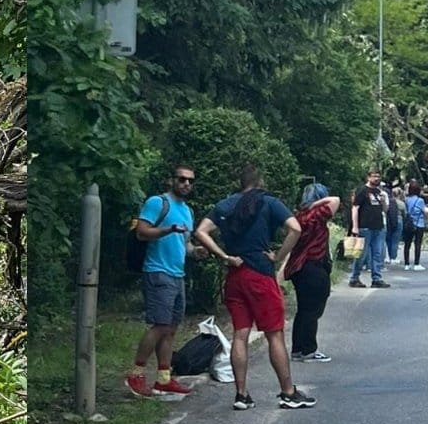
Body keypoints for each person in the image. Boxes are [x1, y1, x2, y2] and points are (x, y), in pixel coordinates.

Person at [194, 167, 314, 411]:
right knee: (274, 334)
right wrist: (278, 256)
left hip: (235, 275)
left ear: (240, 183)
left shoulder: (225, 205)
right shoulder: (269, 203)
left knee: (240, 334)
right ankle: (288, 392)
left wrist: (224, 256)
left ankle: (241, 394)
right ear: (260, 182)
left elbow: (200, 231)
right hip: (260, 274)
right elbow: (296, 228)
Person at [125, 167, 199, 399]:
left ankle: (163, 379)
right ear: (172, 180)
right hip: (157, 271)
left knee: (171, 328)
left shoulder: (187, 211)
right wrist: (168, 229)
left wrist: (195, 251)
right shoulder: (158, 203)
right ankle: (136, 373)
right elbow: (141, 232)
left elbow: (183, 244)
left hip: (177, 274)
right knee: (159, 325)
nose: (186, 184)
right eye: (182, 179)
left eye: (190, 181)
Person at [285, 183, 340, 363]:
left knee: (303, 309)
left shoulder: (300, 215)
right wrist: (316, 203)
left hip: (299, 267)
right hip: (314, 264)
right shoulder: (316, 214)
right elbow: (335, 200)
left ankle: (298, 349)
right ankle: (309, 349)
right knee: (313, 309)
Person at [349, 171, 389, 289]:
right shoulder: (362, 190)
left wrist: (383, 202)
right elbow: (355, 208)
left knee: (377, 254)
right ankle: (354, 278)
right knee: (362, 254)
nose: (376, 178)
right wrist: (355, 226)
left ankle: (377, 278)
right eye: (374, 176)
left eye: (378, 176)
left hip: (378, 226)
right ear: (368, 177)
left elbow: (385, 210)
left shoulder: (379, 192)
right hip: (365, 226)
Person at [402, 181, 428, 270]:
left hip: (408, 223)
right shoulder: (420, 200)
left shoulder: (406, 200)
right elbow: (425, 211)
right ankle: (416, 264)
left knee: (407, 244)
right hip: (418, 224)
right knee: (417, 244)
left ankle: (406, 264)